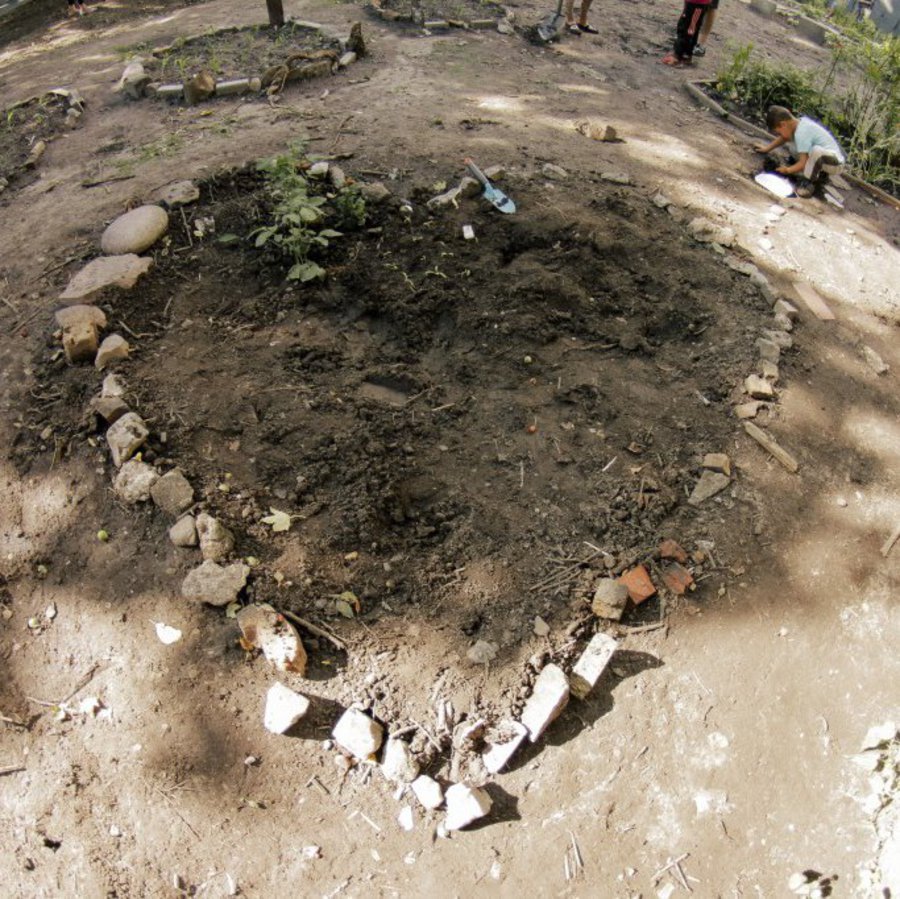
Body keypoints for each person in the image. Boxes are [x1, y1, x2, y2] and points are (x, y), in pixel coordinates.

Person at [755, 105, 845, 197]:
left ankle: (808, 183)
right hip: (823, 158)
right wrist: (767, 148)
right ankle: (816, 172)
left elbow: (803, 162)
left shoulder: (801, 133)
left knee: (815, 151)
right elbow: (784, 137)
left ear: (783, 124)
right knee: (795, 149)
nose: (779, 135)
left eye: (779, 132)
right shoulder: (797, 124)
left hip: (834, 162)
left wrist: (787, 170)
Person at [661, 0, 712, 67]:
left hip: (698, 3)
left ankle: (680, 55)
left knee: (689, 29)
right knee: (684, 25)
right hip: (693, 2)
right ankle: (681, 53)